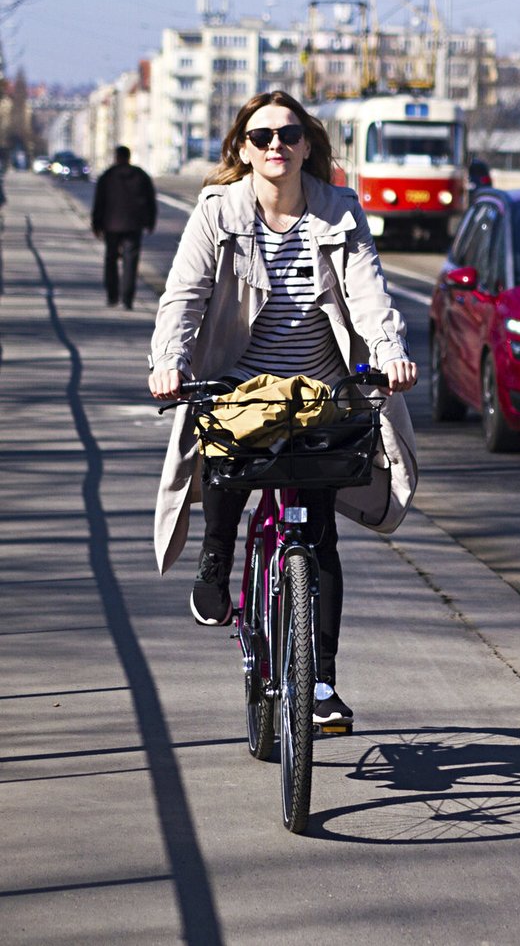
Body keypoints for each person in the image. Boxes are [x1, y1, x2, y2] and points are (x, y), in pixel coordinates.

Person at [148, 91, 417, 727]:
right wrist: (169, 361)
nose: (277, 145)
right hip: (239, 386)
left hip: (319, 390)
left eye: (289, 135)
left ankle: (320, 685)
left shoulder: (339, 211)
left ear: (307, 145)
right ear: (242, 148)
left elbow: (371, 295)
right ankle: (218, 552)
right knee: (226, 463)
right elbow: (182, 296)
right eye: (262, 136)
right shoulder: (218, 211)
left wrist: (390, 352)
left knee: (318, 533)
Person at [92, 145, 157, 309]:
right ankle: (128, 299)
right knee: (131, 262)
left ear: (116, 157)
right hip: (134, 225)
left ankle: (112, 296)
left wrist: (96, 224)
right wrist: (150, 222)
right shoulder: (140, 175)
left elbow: (99, 201)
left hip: (111, 225)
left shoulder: (108, 176)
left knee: (111, 260)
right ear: (129, 157)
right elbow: (151, 200)